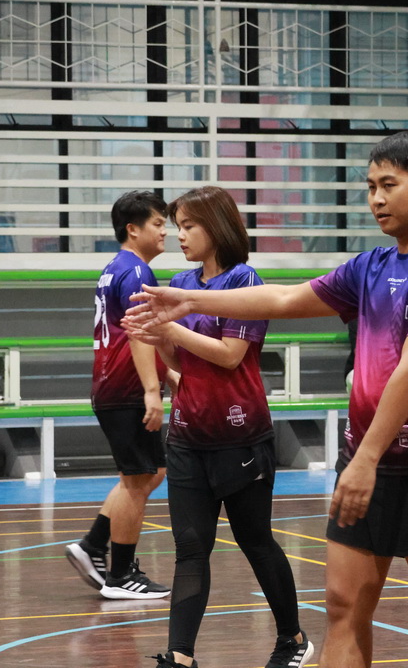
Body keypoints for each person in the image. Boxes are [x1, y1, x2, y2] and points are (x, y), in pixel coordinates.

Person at [125, 132, 408, 668]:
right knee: (344, 606)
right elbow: (286, 297)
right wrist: (191, 299)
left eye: (388, 185)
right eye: (370, 187)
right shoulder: (370, 266)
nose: (376, 199)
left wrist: (366, 461)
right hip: (362, 461)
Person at [129, 186, 313, 668]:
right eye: (178, 226)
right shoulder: (180, 282)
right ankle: (181, 656)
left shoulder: (243, 280)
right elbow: (180, 363)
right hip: (187, 438)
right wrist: (157, 337)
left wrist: (172, 327)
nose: (180, 235)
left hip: (241, 438)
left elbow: (231, 356)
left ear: (217, 226)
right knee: (190, 549)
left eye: (189, 226)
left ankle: (292, 638)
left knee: (256, 541)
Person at [65, 190, 171, 600]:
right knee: (137, 480)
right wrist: (152, 390)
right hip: (125, 390)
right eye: (158, 224)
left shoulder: (115, 268)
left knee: (148, 473)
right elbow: (138, 333)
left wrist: (168, 375)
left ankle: (93, 544)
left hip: (112, 386)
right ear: (133, 229)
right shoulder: (138, 272)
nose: (165, 232)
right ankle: (121, 574)